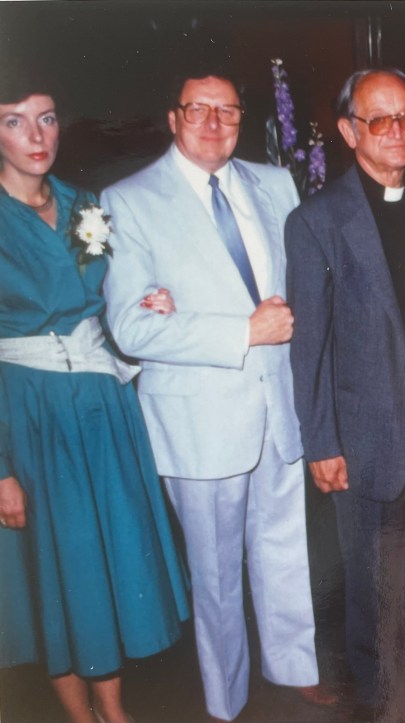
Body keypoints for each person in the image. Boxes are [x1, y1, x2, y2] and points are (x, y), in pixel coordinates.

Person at [101, 68, 331, 722]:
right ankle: (226, 700)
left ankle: (295, 667)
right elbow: (131, 327)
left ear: (241, 119)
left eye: (226, 111)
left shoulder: (275, 183)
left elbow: (303, 283)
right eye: (197, 109)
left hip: (278, 404)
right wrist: (241, 331)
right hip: (199, 418)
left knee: (285, 550)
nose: (212, 123)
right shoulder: (129, 200)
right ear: (173, 118)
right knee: (217, 574)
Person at [0, 74, 189, 723]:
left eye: (47, 118)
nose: (36, 136)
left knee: (109, 561)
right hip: (31, 415)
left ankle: (115, 711)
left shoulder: (85, 206)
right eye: (14, 120)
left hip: (103, 410)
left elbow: (107, 298)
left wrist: (145, 302)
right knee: (60, 567)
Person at [284, 68, 405, 720]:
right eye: (378, 119)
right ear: (349, 130)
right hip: (362, 424)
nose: (396, 131)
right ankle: (377, 697)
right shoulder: (317, 221)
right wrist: (320, 441)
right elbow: (309, 345)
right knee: (369, 574)